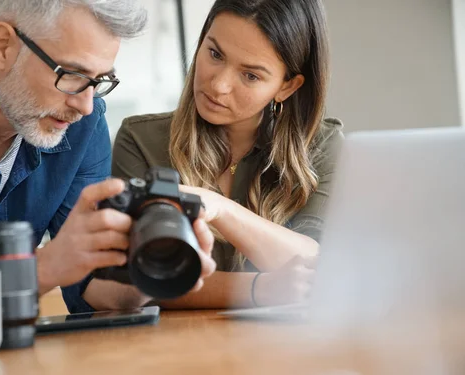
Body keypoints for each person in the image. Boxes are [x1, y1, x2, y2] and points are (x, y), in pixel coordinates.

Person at [0, 0, 216, 349]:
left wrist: (155, 264)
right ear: (3, 46)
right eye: (72, 75)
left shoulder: (80, 122)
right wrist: (46, 266)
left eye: (99, 80)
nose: (86, 105)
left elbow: (92, 291)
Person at [93, 0, 344, 310]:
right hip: (168, 350)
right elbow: (130, 279)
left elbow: (316, 266)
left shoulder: (322, 147)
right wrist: (257, 289)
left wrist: (220, 209)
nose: (219, 85)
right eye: (215, 54)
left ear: (287, 87)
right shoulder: (140, 139)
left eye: (251, 76)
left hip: (283, 351)